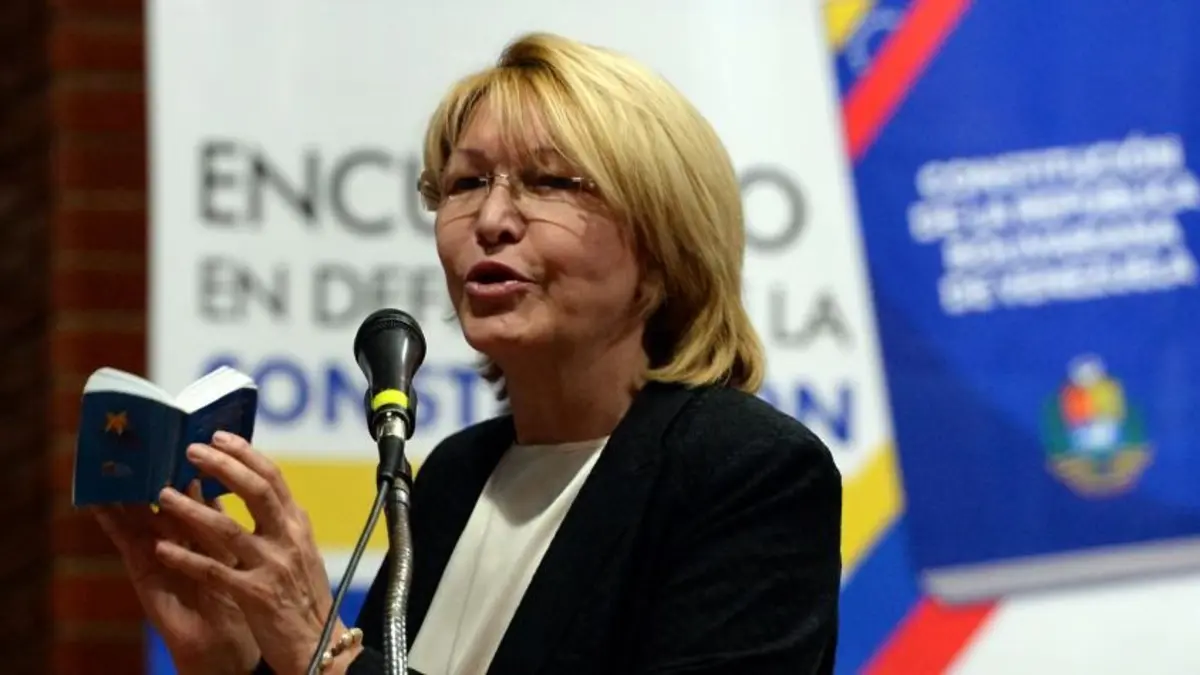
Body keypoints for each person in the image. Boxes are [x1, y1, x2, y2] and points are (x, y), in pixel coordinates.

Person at [95, 31, 842, 675]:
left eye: (548, 181)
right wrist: (235, 660)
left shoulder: (744, 472)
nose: (490, 219)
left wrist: (322, 652)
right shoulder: (454, 479)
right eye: (467, 182)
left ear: (661, 241)